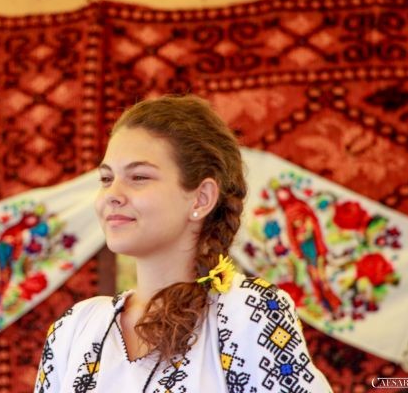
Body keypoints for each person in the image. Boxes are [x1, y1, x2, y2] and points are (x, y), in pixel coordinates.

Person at [34, 95, 332, 392]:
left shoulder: (248, 312)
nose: (112, 194)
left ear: (201, 198)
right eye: (106, 178)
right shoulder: (74, 330)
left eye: (139, 177)